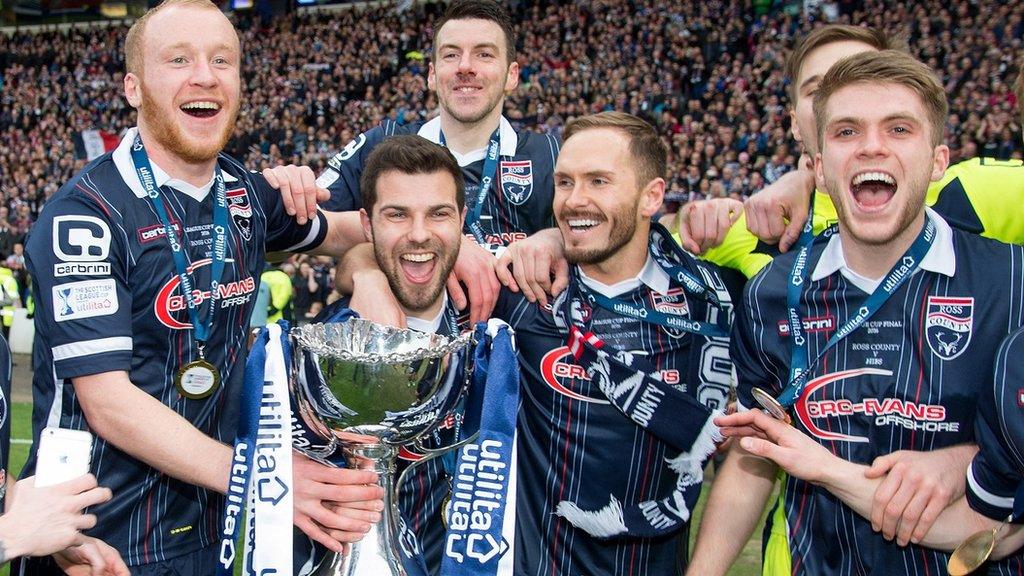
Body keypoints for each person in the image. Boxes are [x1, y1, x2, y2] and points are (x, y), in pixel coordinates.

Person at [19, 0, 382, 573]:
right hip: (92, 541)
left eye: (222, 60)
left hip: (207, 531)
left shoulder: (244, 192)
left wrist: (433, 247)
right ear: (133, 88)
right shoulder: (84, 217)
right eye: (178, 59)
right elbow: (109, 402)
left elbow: (345, 231)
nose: (205, 76)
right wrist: (262, 474)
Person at [687, 50, 1024, 575]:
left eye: (898, 129)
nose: (872, 147)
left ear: (938, 161)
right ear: (818, 167)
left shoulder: (1012, 281)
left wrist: (965, 461)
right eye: (846, 132)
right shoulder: (772, 293)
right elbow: (757, 453)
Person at [491, 112, 731, 574]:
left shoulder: (712, 303)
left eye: (599, 181)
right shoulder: (524, 292)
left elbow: (740, 452)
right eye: (564, 183)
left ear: (651, 197)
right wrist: (364, 273)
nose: (575, 201)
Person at [268, 0, 561, 325]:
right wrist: (369, 266)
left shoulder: (551, 154)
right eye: (451, 54)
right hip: (410, 360)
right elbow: (280, 242)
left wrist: (558, 238)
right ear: (432, 75)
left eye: (484, 54)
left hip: (521, 363)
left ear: (512, 75)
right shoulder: (383, 144)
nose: (466, 66)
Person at [300, 134, 469, 576]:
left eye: (439, 213)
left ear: (462, 221)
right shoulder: (319, 356)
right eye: (397, 215)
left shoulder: (493, 325)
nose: (419, 233)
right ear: (368, 224)